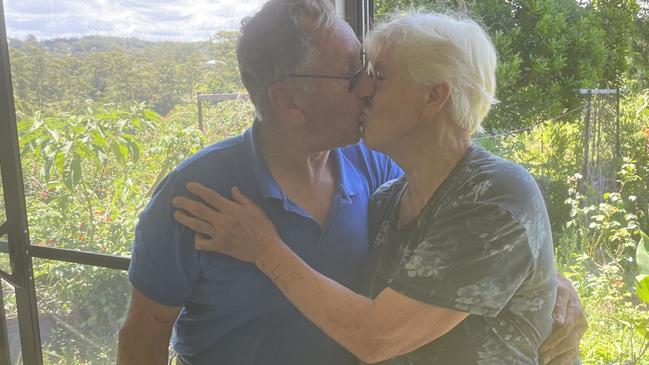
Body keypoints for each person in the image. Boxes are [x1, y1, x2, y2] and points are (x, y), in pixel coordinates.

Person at [118, 1, 586, 364]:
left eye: (375, 73)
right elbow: (144, 332)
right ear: (290, 102)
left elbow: (477, 220)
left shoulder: (373, 170)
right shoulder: (198, 194)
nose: (364, 86)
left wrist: (544, 281)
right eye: (352, 73)